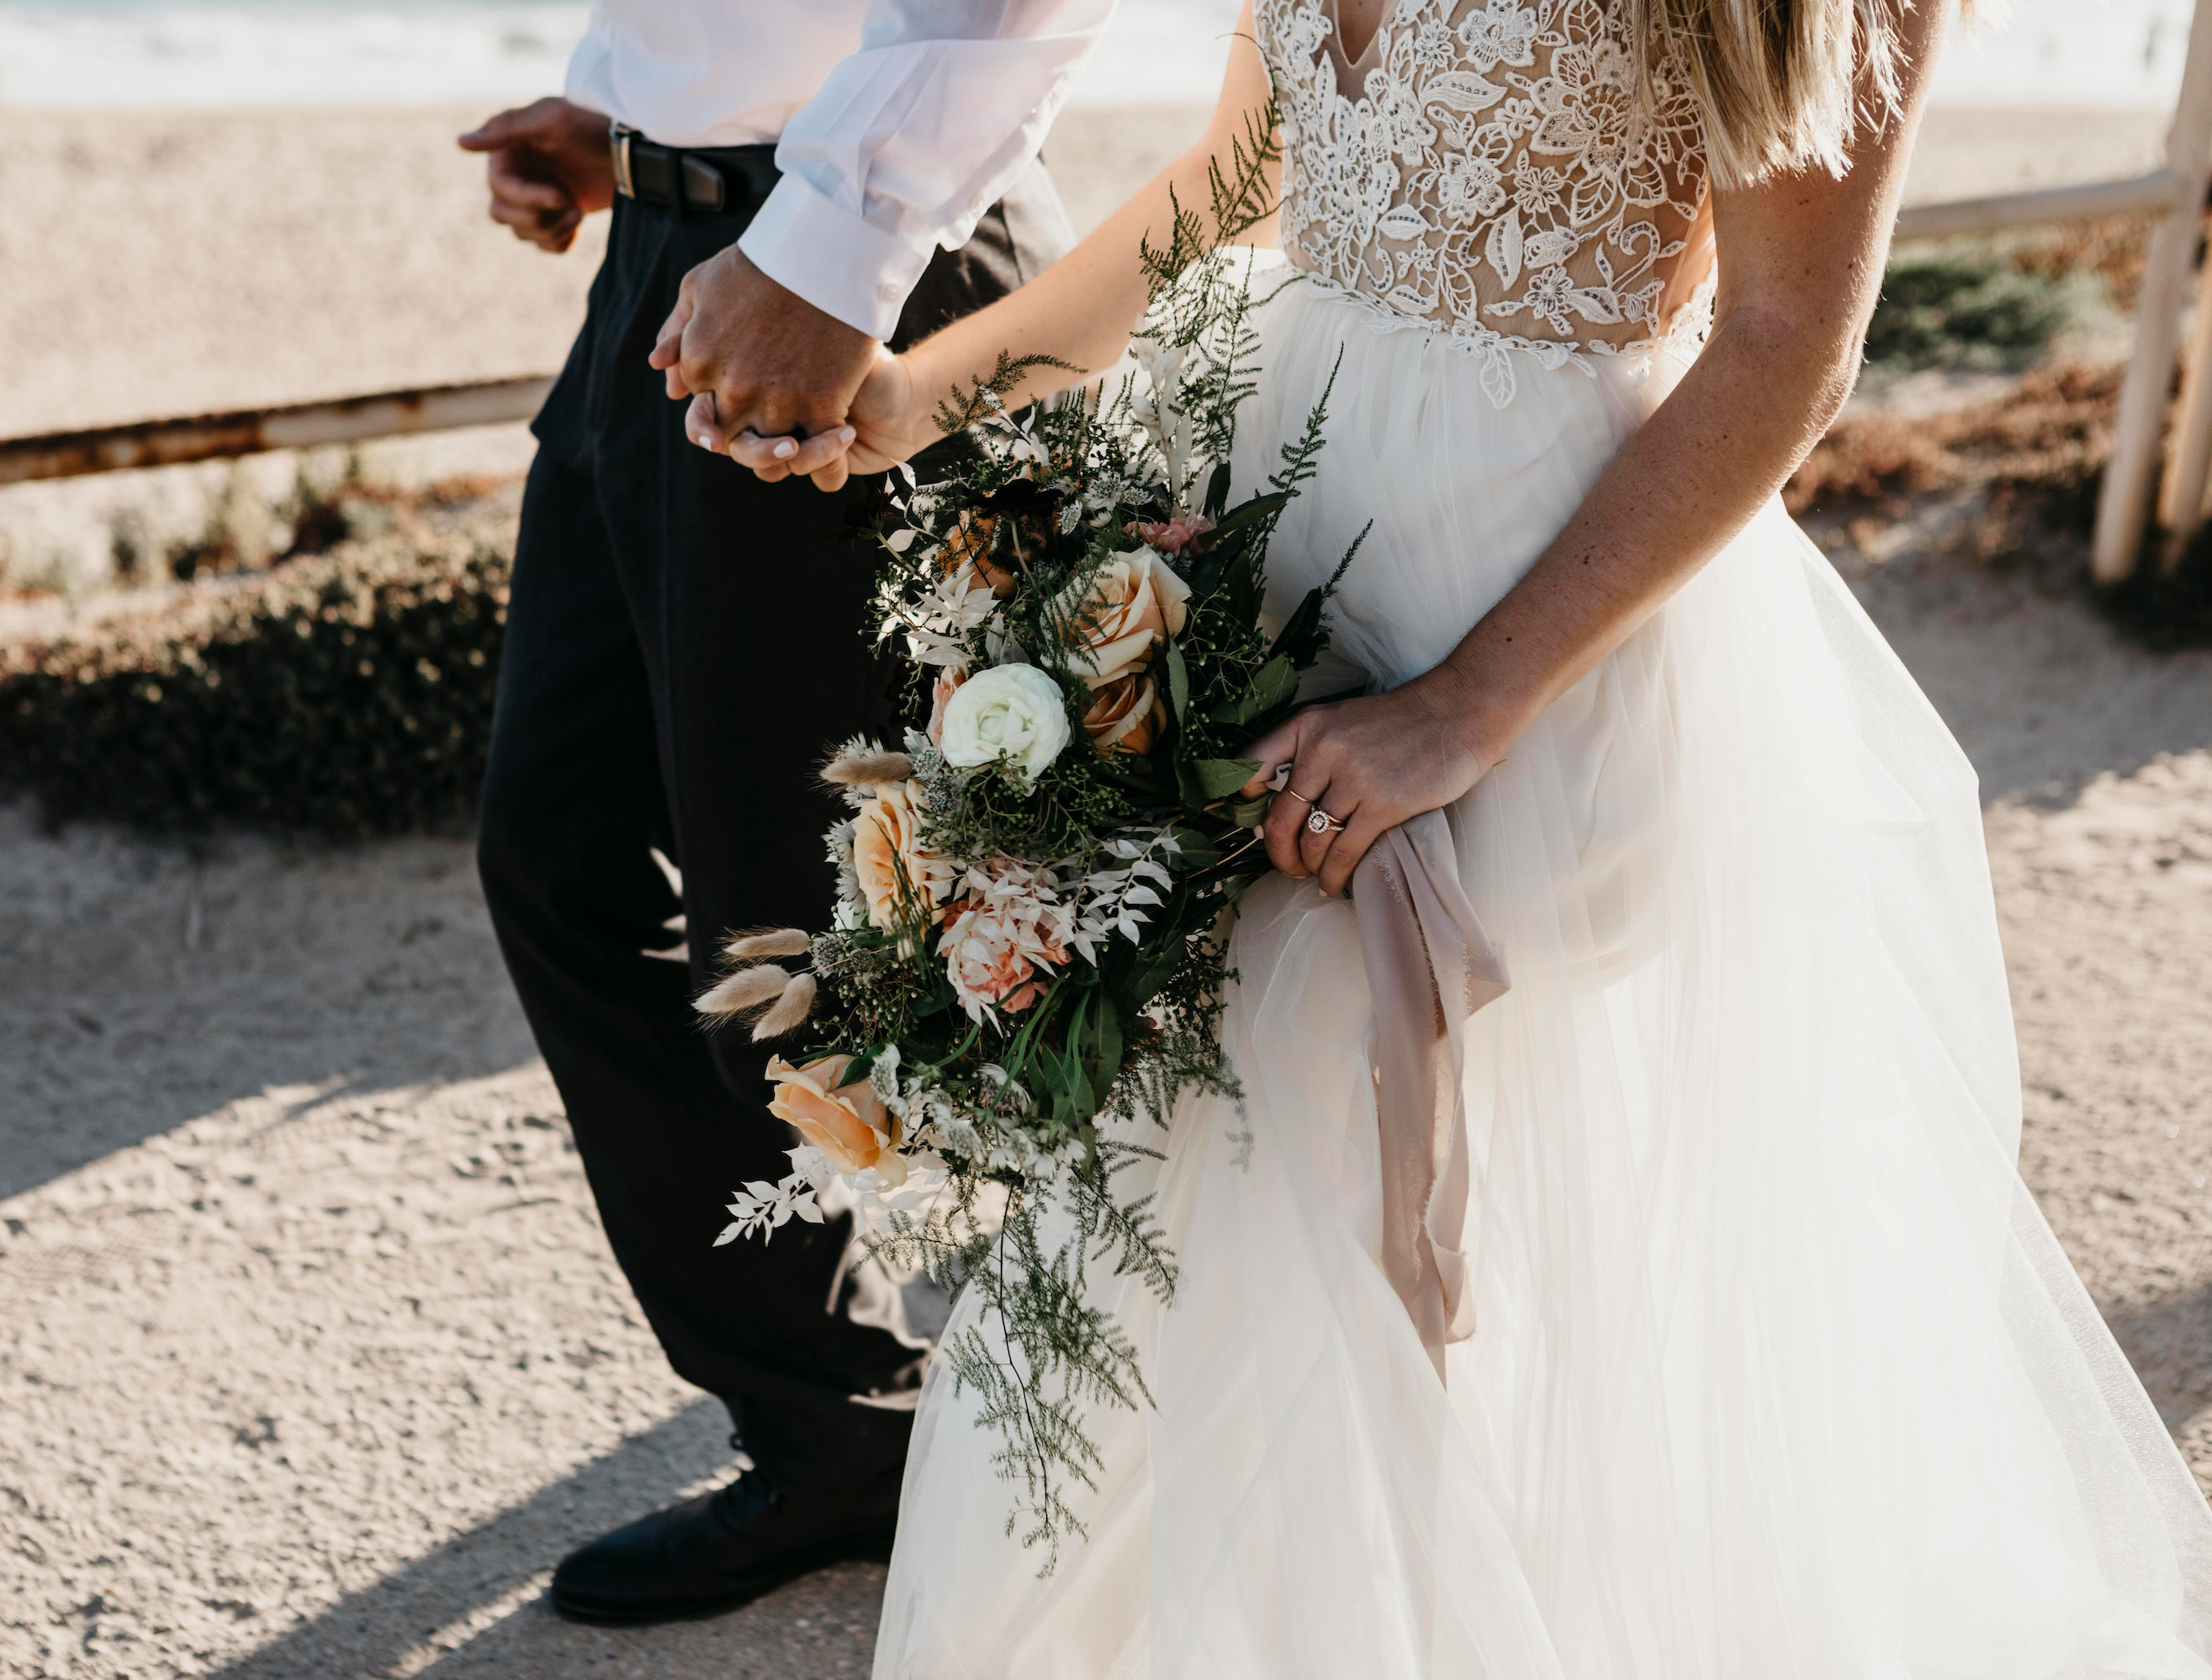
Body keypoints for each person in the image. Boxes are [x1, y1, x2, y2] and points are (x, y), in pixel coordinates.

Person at [722, 0, 2212, 1672]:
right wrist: (927, 393)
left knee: (1329, 1129)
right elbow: (1237, 178)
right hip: (1283, 548)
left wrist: (1470, 706)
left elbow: (1793, 342)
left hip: (1545, 607)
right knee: (1205, 1163)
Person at [455, 0, 1114, 1627]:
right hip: (672, 259)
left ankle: (1114, 1414)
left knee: (855, 928)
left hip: (848, 272)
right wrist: (622, 117)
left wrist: (828, 239)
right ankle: (838, 1418)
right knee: (562, 855)